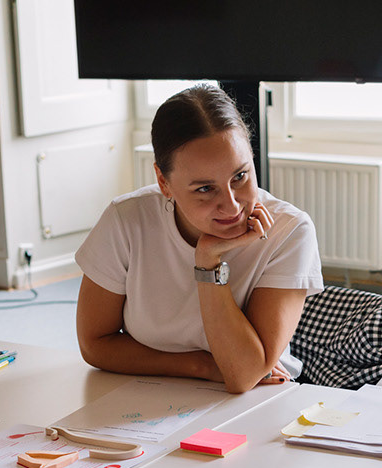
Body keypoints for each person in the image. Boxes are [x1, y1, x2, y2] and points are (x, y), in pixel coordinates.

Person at [75, 85, 324, 393]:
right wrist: (201, 365)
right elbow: (94, 343)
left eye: (240, 176)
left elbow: (242, 375)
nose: (233, 206)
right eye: (205, 189)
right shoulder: (126, 220)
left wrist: (208, 265)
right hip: (144, 392)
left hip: (257, 399)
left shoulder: (289, 231)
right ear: (164, 183)